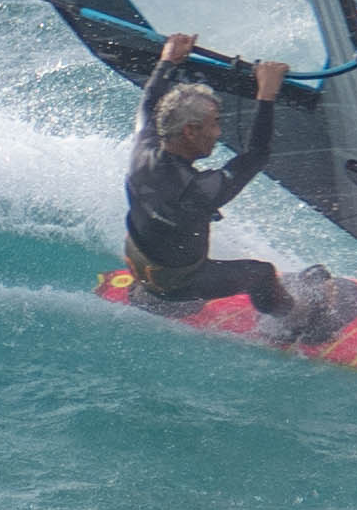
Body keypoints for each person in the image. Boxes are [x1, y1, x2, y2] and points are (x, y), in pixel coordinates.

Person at [125, 34, 316, 339]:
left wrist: (167, 61)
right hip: (178, 286)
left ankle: (150, 293)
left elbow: (148, 104)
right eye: (214, 123)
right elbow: (256, 156)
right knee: (262, 273)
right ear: (190, 131)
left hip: (142, 265)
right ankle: (295, 320)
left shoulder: (144, 148)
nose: (218, 132)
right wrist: (266, 95)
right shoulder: (197, 191)